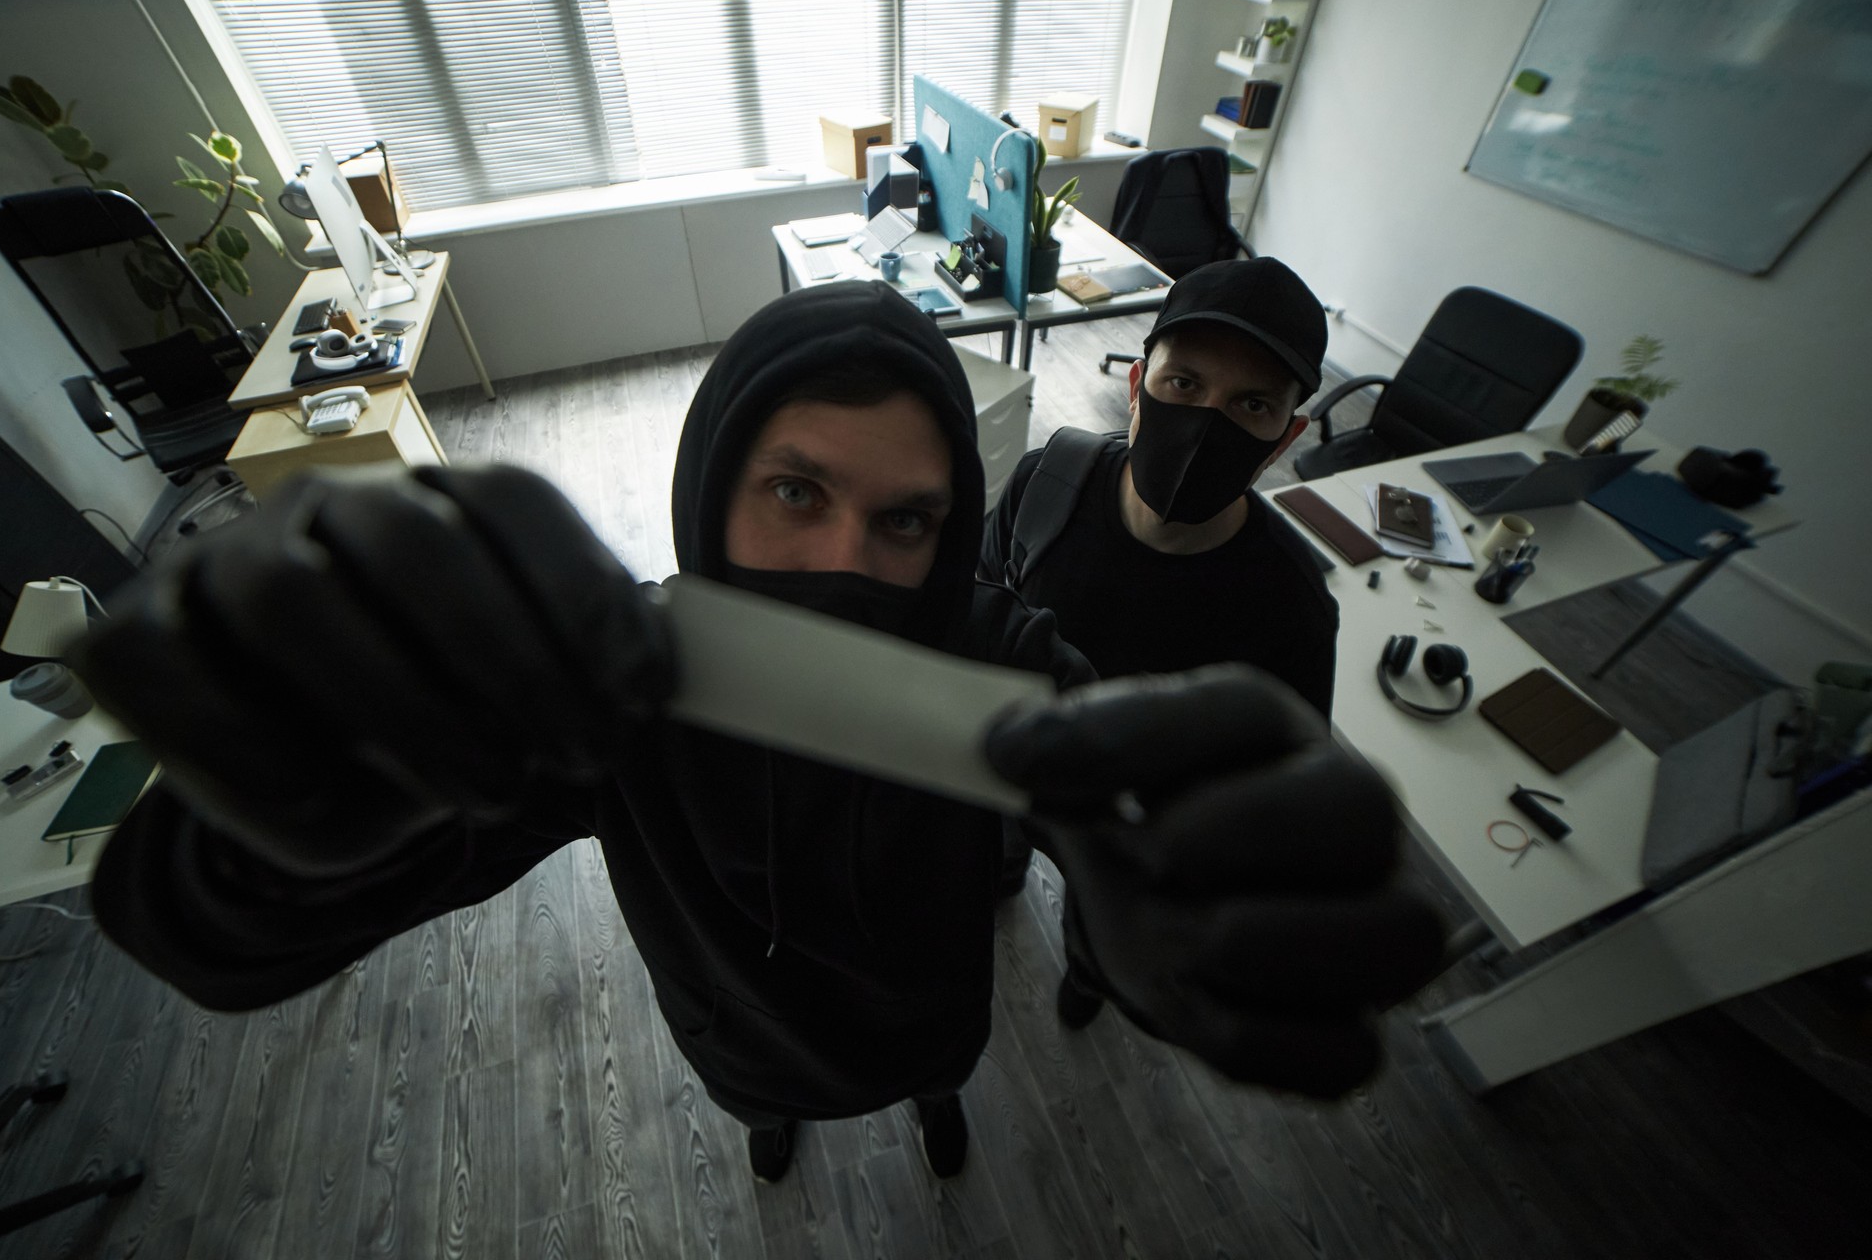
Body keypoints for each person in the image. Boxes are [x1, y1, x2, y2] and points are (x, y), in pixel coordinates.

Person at [72, 282, 1440, 1190]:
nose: (845, 557)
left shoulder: (994, 660)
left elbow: (1122, 784)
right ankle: (771, 1121)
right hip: (731, 1034)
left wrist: (1203, 878)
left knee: (930, 1093)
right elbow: (202, 941)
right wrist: (291, 785)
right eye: (794, 490)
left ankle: (927, 1109)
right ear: (708, 485)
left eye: (905, 521)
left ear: (951, 528)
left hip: (928, 1027)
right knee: (762, 1109)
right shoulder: (620, 680)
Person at [980, 257, 1341, 1029]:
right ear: (1140, 383)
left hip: (1128, 825)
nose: (1208, 420)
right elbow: (975, 601)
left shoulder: (1290, 609)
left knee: (1102, 930)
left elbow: (1275, 786)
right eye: (1185, 384)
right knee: (998, 854)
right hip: (1018, 768)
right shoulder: (1050, 481)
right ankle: (1004, 878)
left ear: (1284, 438)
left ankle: (1087, 976)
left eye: (1250, 404)